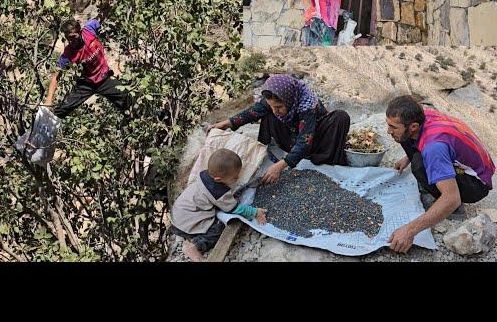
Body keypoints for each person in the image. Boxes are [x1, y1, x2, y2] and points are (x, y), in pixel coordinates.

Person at [385, 95, 495, 253]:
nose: (388, 131)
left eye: (393, 127)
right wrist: (407, 157)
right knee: (403, 139)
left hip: (477, 184)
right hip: (470, 164)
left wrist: (409, 230)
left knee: (419, 165)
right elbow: (416, 138)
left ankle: (452, 209)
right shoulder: (424, 116)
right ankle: (438, 179)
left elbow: (452, 198)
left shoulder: (433, 149)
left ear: (414, 126)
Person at [208, 74, 350, 184]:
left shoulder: (307, 104)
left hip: (315, 138)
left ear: (289, 100)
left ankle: (318, 160)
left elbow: (305, 141)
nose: (275, 110)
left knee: (341, 117)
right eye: (272, 106)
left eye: (279, 107)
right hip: (292, 138)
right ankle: (262, 153)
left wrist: (280, 166)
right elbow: (253, 112)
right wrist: (226, 123)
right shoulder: (275, 97)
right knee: (266, 114)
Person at [170, 148, 267, 262]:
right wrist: (254, 212)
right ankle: (195, 246)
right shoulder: (218, 192)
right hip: (186, 222)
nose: (237, 179)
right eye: (235, 178)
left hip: (177, 214)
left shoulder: (205, 175)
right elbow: (233, 209)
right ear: (218, 179)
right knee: (218, 229)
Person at [44, 17, 130, 118]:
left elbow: (102, 16)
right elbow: (56, 76)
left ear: (80, 32)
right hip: (86, 84)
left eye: (73, 37)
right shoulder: (68, 54)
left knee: (126, 97)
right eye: (68, 38)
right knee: (62, 110)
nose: (71, 41)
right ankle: (44, 128)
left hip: (104, 79)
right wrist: (49, 100)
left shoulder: (89, 29)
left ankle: (132, 123)